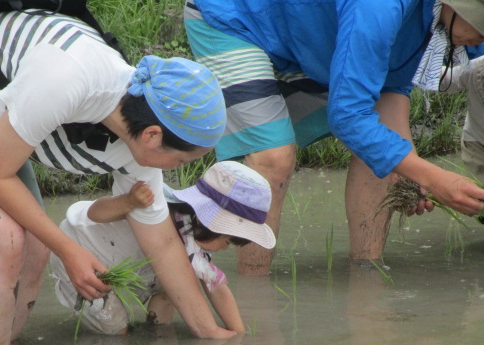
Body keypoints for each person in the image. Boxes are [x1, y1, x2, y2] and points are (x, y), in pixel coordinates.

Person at [0, 8, 234, 345]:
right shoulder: (72, 79)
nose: (177, 167)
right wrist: (70, 250)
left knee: (35, 250)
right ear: (153, 136)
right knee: (3, 241)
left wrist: (212, 335)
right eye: (182, 159)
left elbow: (165, 247)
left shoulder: (138, 137)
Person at [183, 0, 484, 276]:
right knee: (273, 156)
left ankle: (368, 275)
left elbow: (390, 93)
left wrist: (412, 171)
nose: (481, 43)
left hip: (307, 39)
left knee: (380, 151)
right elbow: (348, 116)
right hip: (238, 20)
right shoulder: (381, 7)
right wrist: (434, 178)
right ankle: (255, 293)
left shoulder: (426, 17)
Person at [50, 161, 276, 335]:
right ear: (204, 221)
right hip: (83, 256)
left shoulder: (193, 248)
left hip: (129, 267)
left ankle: (157, 335)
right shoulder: (155, 208)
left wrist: (239, 335)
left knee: (175, 288)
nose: (226, 249)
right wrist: (128, 202)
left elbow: (217, 288)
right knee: (116, 329)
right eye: (228, 241)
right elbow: (94, 213)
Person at [440, 45, 484, 176]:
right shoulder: (476, 68)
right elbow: (447, 80)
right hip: (477, 147)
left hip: (475, 142)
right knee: (476, 191)